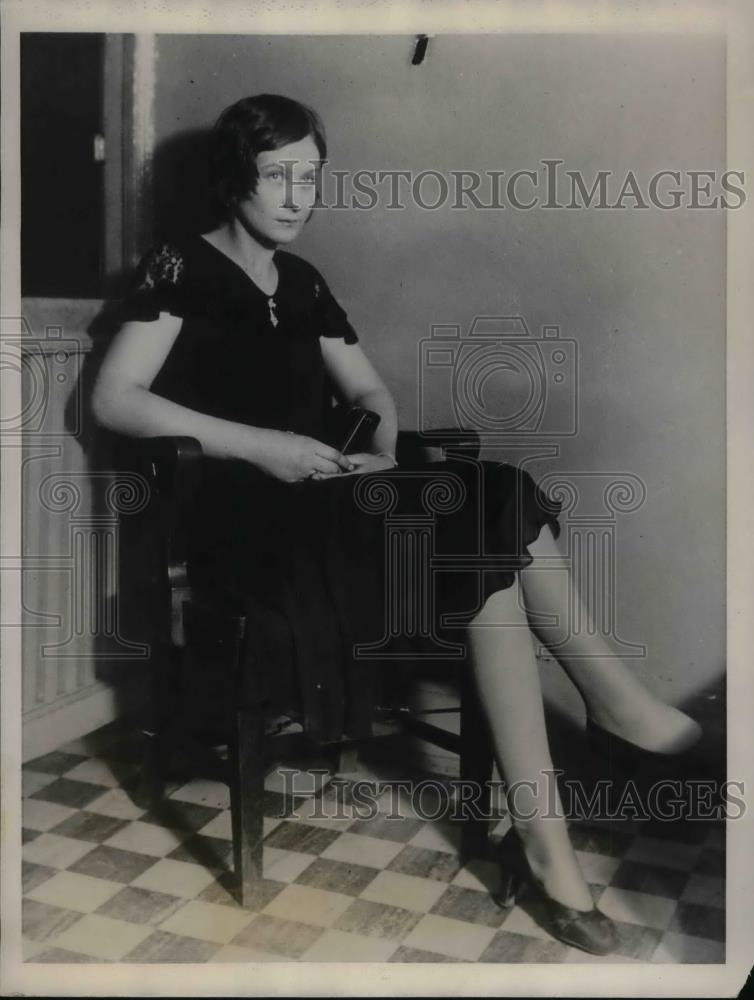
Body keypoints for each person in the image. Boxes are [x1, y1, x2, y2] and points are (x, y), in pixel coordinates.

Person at [91, 93, 702, 956]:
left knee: (481, 512)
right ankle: (615, 712)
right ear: (235, 181)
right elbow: (114, 399)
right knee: (482, 504)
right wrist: (264, 445)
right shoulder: (179, 265)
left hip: (332, 501)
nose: (299, 196)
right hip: (244, 526)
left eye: (312, 177)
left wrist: (381, 455)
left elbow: (371, 396)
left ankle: (546, 842)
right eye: (279, 176)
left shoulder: (301, 282)